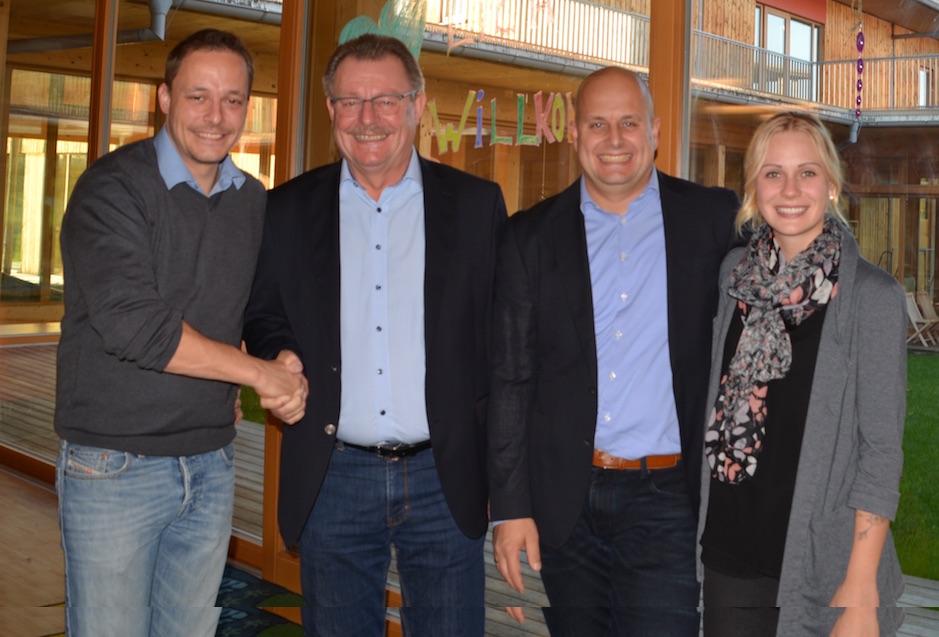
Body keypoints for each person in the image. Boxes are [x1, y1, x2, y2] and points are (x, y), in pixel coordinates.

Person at [242, 34, 507, 636]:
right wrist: (278, 353)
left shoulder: (476, 205)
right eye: (350, 101)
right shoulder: (285, 209)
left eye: (386, 100)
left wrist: (503, 473)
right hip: (333, 474)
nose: (368, 118)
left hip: (446, 475)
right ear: (330, 110)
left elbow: (502, 343)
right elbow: (264, 313)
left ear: (417, 106)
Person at [55, 29, 308, 637]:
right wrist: (260, 375)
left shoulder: (252, 201)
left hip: (212, 461)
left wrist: (279, 359)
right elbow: (134, 325)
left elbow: (251, 309)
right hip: (113, 465)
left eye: (232, 100)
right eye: (198, 96)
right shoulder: (111, 189)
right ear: (165, 98)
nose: (216, 117)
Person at [487, 66, 740, 635]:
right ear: (574, 133)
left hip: (666, 499)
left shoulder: (712, 219)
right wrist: (510, 507)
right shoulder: (529, 237)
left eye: (629, 122)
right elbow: (510, 379)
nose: (614, 139)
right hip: (563, 504)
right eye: (597, 124)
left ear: (654, 130)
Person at [698, 111, 906, 636]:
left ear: (831, 184)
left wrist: (861, 589)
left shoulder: (872, 298)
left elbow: (881, 453)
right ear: (754, 187)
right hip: (729, 553)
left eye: (807, 172)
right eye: (773, 173)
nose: (790, 190)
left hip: (823, 564)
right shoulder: (733, 278)